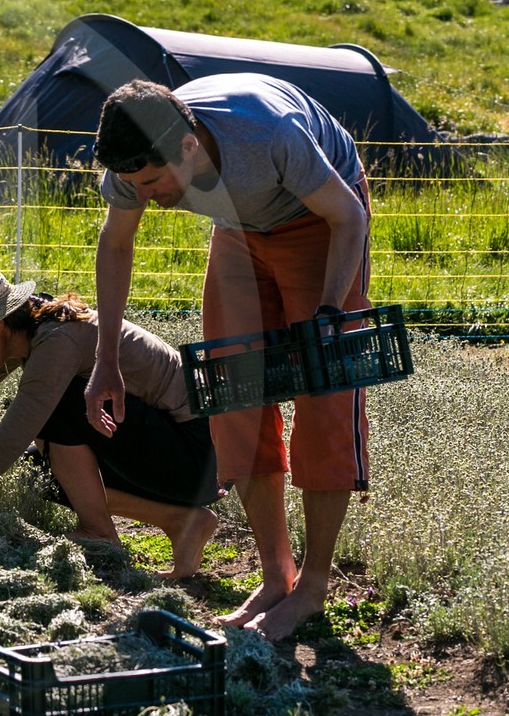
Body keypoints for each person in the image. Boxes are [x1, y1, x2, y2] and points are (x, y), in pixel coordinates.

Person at [84, 74, 373, 641]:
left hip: (319, 220)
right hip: (241, 228)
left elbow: (348, 217)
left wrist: (328, 313)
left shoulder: (267, 133)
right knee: (233, 390)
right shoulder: (131, 166)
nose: (141, 195)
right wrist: (106, 360)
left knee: (324, 393)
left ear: (188, 146)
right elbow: (117, 244)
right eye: (130, 183)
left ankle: (313, 585)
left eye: (150, 181)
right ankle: (275, 575)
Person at [0, 262, 220, 577]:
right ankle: (180, 520)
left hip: (198, 454)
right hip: (183, 454)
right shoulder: (23, 334)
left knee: (58, 407)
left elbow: (3, 448)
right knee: (35, 472)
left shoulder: (58, 341)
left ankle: (99, 532)